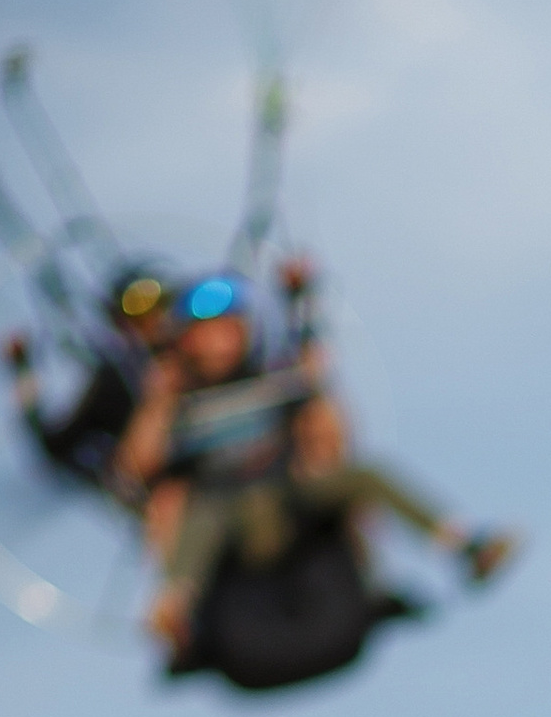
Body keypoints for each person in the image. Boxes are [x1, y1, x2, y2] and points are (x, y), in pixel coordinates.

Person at [115, 267, 518, 662]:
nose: (221, 343)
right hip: (225, 515)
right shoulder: (174, 401)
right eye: (208, 334)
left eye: (229, 329)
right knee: (185, 508)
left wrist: (316, 381)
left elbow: (334, 440)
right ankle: (175, 612)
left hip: (285, 500)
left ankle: (461, 545)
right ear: (186, 341)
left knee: (361, 476)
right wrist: (157, 401)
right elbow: (134, 471)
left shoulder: (275, 380)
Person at [0, 261, 182, 493]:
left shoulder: (212, 349)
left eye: (164, 303)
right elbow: (56, 447)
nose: (158, 319)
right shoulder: (115, 379)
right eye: (139, 311)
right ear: (120, 323)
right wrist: (23, 371)